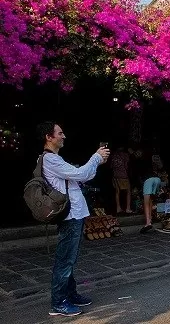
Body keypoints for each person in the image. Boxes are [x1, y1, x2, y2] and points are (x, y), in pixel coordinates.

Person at [37, 121, 109, 317]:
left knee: (69, 258)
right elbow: (80, 173)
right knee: (65, 260)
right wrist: (95, 157)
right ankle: (58, 302)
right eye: (60, 133)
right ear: (48, 137)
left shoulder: (56, 159)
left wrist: (96, 162)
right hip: (69, 215)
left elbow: (82, 177)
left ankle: (70, 293)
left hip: (75, 213)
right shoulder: (51, 160)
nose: (63, 136)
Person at [110, 146, 132, 214]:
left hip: (115, 176)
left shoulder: (113, 156)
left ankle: (118, 208)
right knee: (128, 191)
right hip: (123, 176)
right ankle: (128, 208)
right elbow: (126, 165)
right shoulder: (125, 155)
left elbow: (111, 166)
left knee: (117, 192)